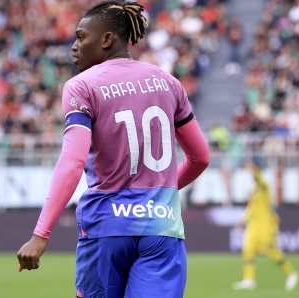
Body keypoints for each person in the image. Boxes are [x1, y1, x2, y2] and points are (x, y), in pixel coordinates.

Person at [16, 2, 210, 297]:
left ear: (106, 39)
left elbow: (72, 161)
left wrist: (40, 234)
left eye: (81, 37)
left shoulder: (82, 86)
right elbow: (200, 158)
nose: (74, 46)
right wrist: (159, 191)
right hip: (161, 228)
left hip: (106, 228)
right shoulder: (169, 83)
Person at [232, 160, 299, 291]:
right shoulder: (253, 189)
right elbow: (251, 208)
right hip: (253, 224)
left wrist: (254, 170)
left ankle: (291, 273)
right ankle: (249, 280)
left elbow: (260, 179)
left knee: (270, 250)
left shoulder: (265, 186)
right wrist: (242, 221)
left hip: (266, 224)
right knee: (248, 250)